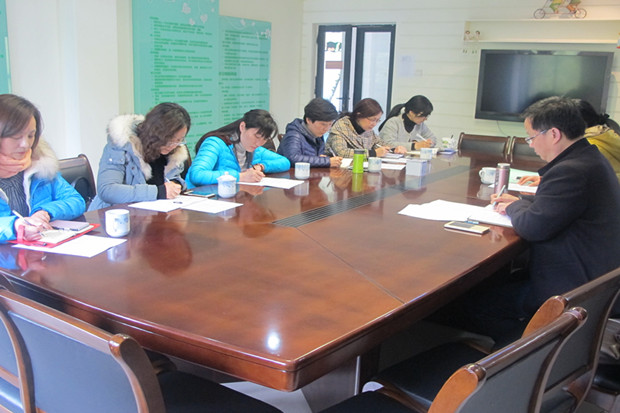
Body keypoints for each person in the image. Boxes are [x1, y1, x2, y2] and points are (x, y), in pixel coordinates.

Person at [481, 96, 620, 339]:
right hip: (596, 278)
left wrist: (514, 207)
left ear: (554, 134)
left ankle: (529, 345)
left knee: (474, 304)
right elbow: (561, 205)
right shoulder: (590, 157)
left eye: (531, 137)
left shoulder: (569, 171)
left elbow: (532, 227)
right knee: (496, 286)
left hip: (572, 288)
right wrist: (521, 202)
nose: (531, 145)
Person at [0, 94, 85, 243]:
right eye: (16, 137)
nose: (26, 144)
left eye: (31, 135)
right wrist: (15, 226)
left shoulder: (40, 164)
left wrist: (45, 212)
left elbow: (76, 201)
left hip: (37, 251)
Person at [89, 102, 191, 210]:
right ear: (156, 134)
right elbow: (107, 190)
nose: (173, 145)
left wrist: (175, 185)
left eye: (179, 140)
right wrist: (158, 192)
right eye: (169, 140)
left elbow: (172, 179)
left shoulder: (173, 151)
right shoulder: (121, 145)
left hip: (152, 213)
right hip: (114, 214)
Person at [518, 99, 620, 186]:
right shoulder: (603, 135)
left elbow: (581, 179)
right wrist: (547, 179)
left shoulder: (589, 148)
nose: (531, 144)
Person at [186, 109, 290, 187]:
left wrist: (261, 166)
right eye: (257, 136)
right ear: (242, 127)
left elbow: (285, 162)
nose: (259, 143)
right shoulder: (215, 143)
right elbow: (197, 175)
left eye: (265, 139)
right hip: (203, 199)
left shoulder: (255, 148)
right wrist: (240, 177)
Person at [325, 98, 406, 158]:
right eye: (372, 120)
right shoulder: (341, 127)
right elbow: (342, 152)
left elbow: (380, 143)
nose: (374, 124)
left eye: (377, 120)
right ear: (359, 115)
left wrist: (394, 149)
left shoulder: (368, 130)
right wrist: (373, 153)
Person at [277, 98, 342, 168]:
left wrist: (322, 159)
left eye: (330, 124)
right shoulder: (294, 135)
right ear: (308, 120)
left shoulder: (317, 135)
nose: (327, 128)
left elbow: (317, 157)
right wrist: (326, 161)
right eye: (323, 124)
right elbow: (293, 159)